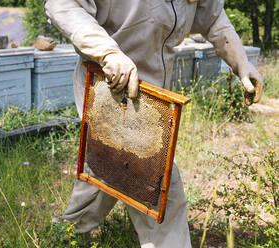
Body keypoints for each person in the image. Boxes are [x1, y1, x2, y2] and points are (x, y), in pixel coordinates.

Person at [44, 1, 263, 247]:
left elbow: (212, 17)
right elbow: (64, 5)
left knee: (108, 171)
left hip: (153, 96)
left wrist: (241, 61)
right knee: (158, 188)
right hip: (108, 87)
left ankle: (67, 234)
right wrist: (108, 52)